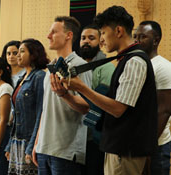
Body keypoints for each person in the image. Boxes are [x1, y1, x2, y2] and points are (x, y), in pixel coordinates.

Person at [61, 6, 158, 175]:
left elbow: (118, 109)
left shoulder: (134, 61)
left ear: (118, 31)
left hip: (125, 149)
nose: (102, 40)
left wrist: (81, 88)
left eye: (103, 33)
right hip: (120, 148)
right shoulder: (126, 59)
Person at [33, 16, 92, 175]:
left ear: (69, 35)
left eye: (53, 32)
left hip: (65, 151)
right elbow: (45, 109)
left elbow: (87, 106)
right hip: (44, 148)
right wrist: (37, 143)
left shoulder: (79, 65)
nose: (48, 36)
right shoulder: (50, 68)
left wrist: (64, 95)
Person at [5, 38, 49, 175]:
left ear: (34, 55)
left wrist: (31, 147)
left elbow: (40, 113)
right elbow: (16, 115)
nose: (18, 55)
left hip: (29, 141)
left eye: (22, 51)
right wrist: (9, 145)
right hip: (16, 141)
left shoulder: (40, 76)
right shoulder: (22, 78)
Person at [134, 20, 171, 175]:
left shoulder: (163, 67)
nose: (137, 40)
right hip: (137, 144)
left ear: (156, 40)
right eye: (135, 36)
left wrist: (148, 147)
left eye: (143, 37)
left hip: (156, 146)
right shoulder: (137, 65)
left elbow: (164, 110)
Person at [79, 24, 115, 175]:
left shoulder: (106, 67)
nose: (86, 41)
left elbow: (100, 106)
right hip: (79, 137)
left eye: (91, 38)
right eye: (83, 38)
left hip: (95, 138)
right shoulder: (79, 65)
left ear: (101, 43)